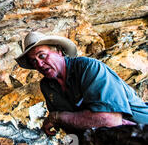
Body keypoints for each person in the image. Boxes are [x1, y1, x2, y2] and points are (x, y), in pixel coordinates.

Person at [15, 31, 148, 136]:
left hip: (141, 133)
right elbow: (71, 128)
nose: (39, 64)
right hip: (107, 143)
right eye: (33, 61)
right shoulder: (47, 86)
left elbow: (110, 121)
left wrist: (58, 117)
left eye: (42, 56)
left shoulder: (89, 68)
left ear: (59, 52)